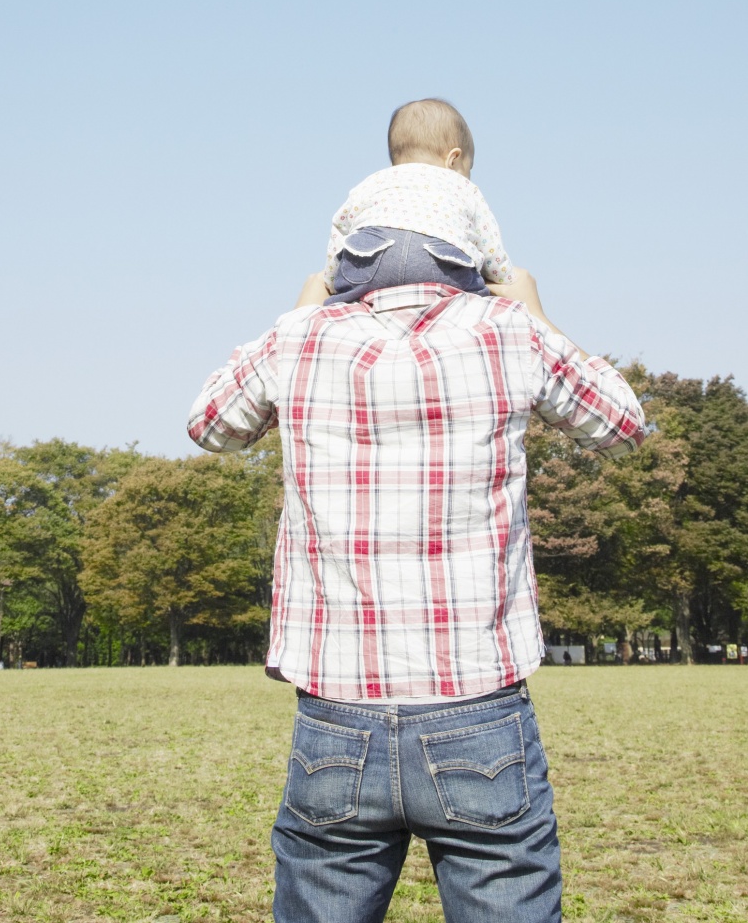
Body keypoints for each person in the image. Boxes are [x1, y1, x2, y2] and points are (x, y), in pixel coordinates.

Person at [188, 267, 646, 923]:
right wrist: (538, 314)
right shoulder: (509, 330)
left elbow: (209, 422)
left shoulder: (303, 337)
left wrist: (295, 316)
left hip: (338, 716)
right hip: (478, 706)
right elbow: (622, 419)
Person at [324, 97, 514, 303]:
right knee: (480, 301)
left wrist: (332, 280)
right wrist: (504, 278)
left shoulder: (370, 183)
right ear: (454, 159)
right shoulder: (465, 187)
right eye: (469, 168)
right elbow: (490, 246)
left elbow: (340, 231)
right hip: (439, 264)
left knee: (341, 303)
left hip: (370, 261)